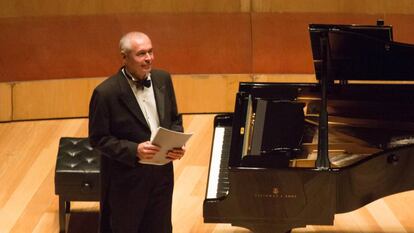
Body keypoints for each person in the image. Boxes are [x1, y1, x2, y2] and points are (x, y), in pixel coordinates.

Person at [88, 31, 185, 233]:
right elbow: (98, 139)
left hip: (161, 176)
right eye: (141, 54)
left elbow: (174, 118)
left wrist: (177, 143)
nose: (148, 58)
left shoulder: (162, 79)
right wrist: (134, 150)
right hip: (127, 181)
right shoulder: (106, 93)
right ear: (124, 57)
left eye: (150, 52)